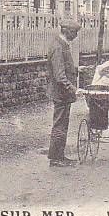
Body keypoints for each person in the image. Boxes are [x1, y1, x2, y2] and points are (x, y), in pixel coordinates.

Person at [45, 17, 81, 167]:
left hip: (63, 93)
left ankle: (59, 155)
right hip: (61, 93)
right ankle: (55, 158)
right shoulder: (59, 47)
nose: (76, 35)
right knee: (60, 125)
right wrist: (74, 89)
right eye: (74, 32)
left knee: (62, 124)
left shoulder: (62, 44)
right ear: (66, 31)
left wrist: (77, 70)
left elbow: (65, 69)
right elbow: (60, 76)